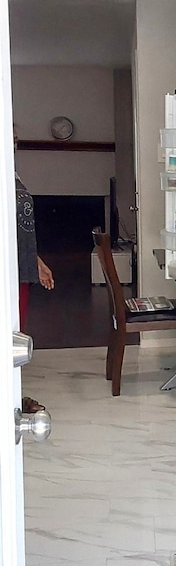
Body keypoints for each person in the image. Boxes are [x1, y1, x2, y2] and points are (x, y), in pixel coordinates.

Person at [14, 128, 54, 413]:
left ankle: (14, 397)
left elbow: (19, 230)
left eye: (16, 139)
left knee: (17, 336)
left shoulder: (10, 173)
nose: (15, 144)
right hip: (9, 271)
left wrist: (37, 262)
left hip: (22, 269)